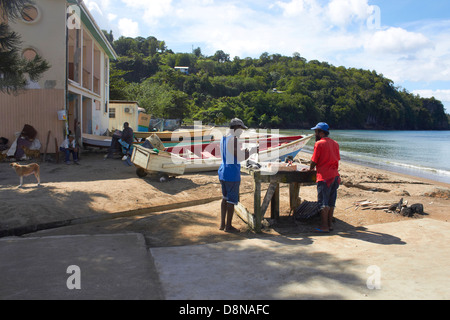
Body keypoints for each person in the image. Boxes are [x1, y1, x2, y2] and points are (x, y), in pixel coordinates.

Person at [218, 118, 258, 233]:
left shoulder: (224, 138)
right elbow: (240, 158)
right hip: (232, 173)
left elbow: (234, 154)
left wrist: (244, 152)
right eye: (241, 129)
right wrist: (252, 151)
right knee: (231, 201)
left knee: (224, 198)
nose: (242, 132)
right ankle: (229, 226)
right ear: (236, 128)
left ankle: (222, 224)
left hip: (223, 171)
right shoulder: (234, 139)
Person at [303, 122, 340, 233]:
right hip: (335, 176)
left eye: (316, 131)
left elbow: (314, 160)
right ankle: (330, 225)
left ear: (321, 132)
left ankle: (324, 227)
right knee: (331, 201)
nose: (315, 134)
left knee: (323, 202)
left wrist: (309, 169)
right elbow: (336, 159)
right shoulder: (335, 143)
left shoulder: (319, 144)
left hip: (324, 177)